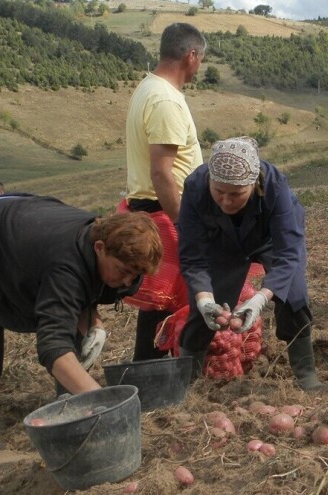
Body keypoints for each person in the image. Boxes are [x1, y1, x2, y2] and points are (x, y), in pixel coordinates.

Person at [0, 194, 162, 452]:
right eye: (123, 271)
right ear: (99, 248)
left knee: (72, 321)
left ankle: (70, 398)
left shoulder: (108, 255)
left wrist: (93, 321)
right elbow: (53, 346)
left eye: (136, 274)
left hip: (34, 222)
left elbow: (82, 290)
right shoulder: (65, 265)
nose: (129, 282)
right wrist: (104, 405)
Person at [178, 137, 324, 391]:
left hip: (269, 237)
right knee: (204, 308)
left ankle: (305, 374)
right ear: (209, 182)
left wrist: (260, 299)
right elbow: (193, 256)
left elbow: (288, 255)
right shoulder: (194, 187)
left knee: (293, 295)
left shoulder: (275, 187)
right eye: (219, 192)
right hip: (222, 241)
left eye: (236, 194)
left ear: (253, 184)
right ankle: (184, 380)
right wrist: (203, 298)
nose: (225, 201)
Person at [125, 22, 205, 361]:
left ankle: (155, 366)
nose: (199, 66)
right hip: (165, 209)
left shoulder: (149, 88)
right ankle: (153, 368)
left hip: (156, 207)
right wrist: (184, 223)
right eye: (200, 59)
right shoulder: (165, 101)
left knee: (163, 298)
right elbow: (162, 172)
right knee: (165, 297)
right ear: (190, 56)